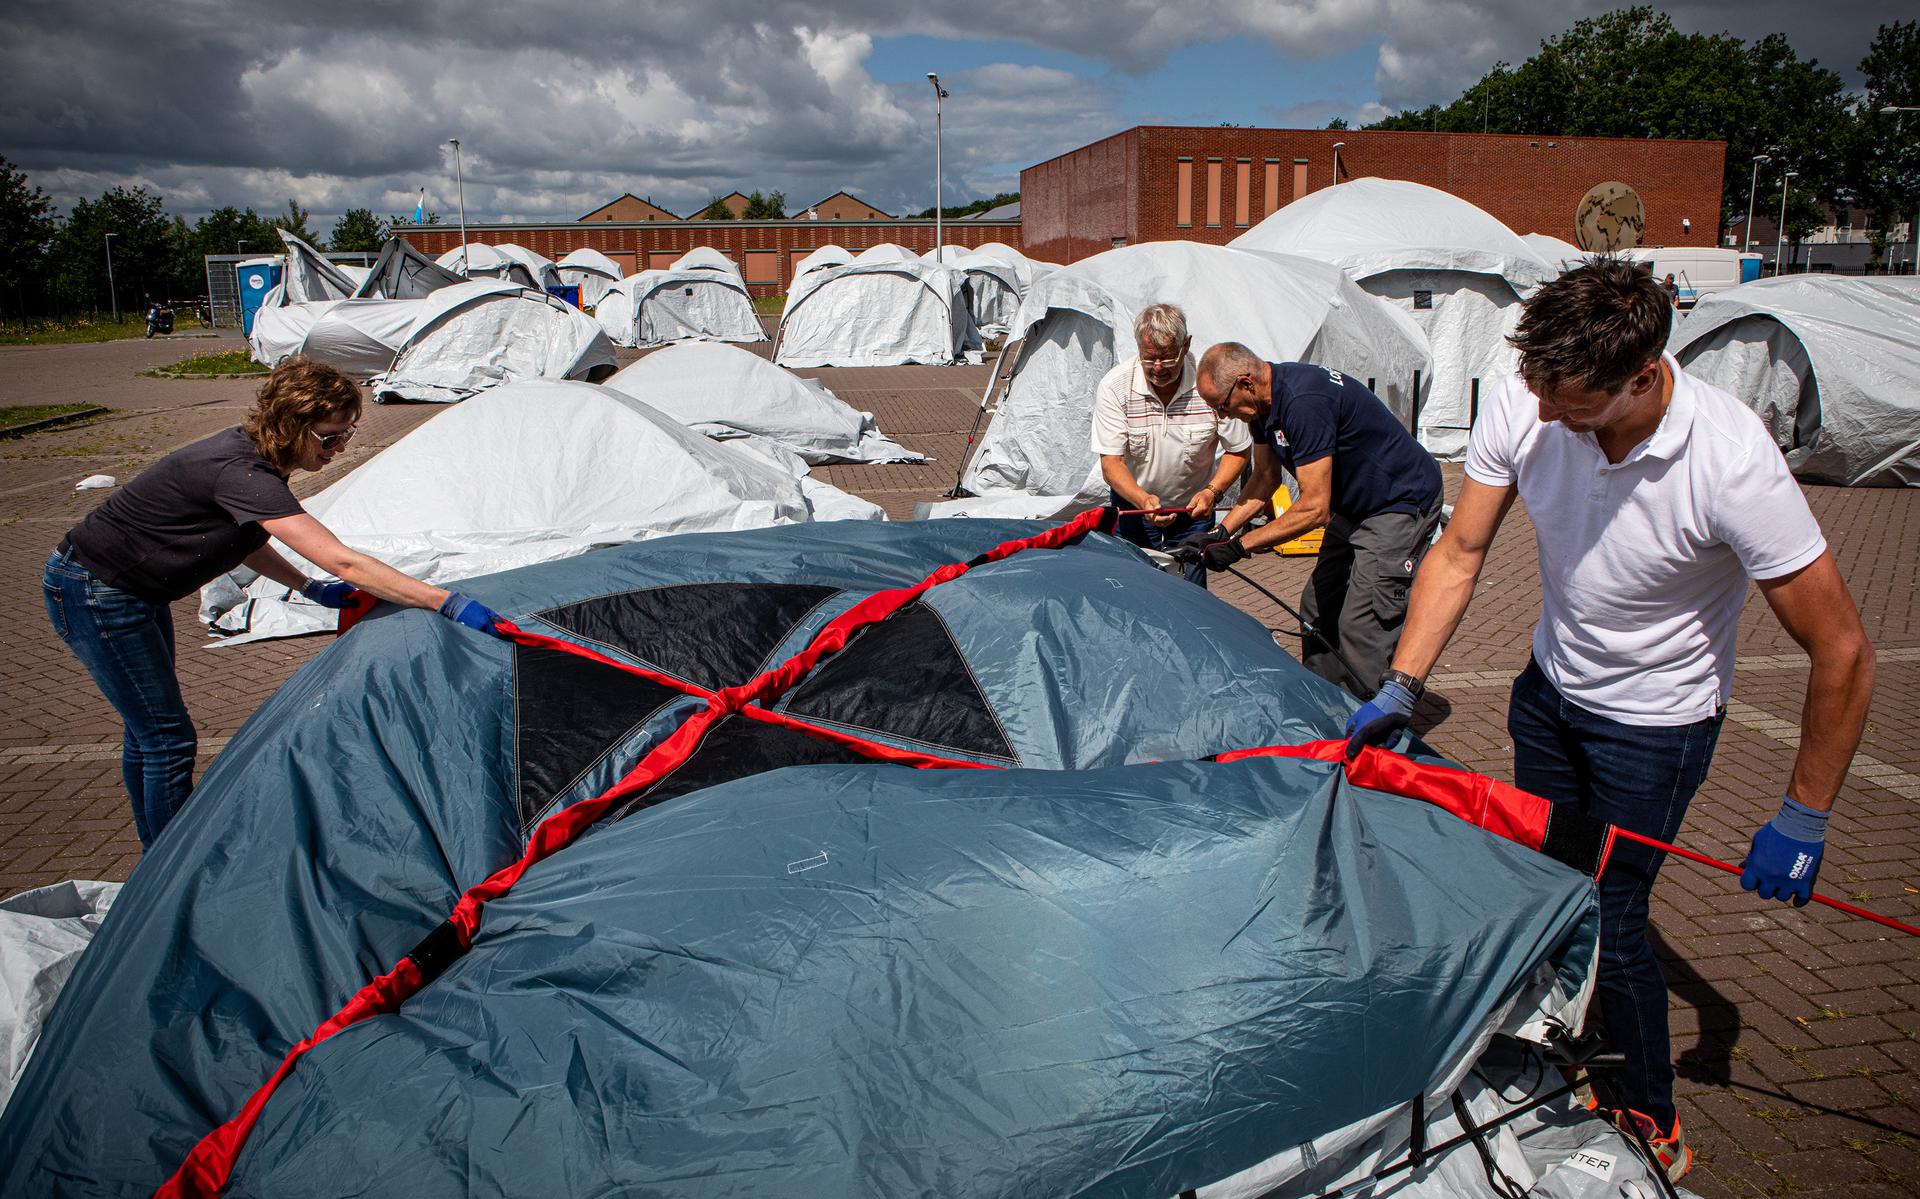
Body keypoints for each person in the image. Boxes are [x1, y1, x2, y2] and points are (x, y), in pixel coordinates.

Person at [1345, 258, 1875, 1180]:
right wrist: (1401, 682)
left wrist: (1805, 812)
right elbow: (1462, 548)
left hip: (1655, 727)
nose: (1545, 418)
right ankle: (1563, 1047)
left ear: (1643, 376)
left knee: (1614, 912)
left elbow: (1843, 650)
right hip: (1551, 695)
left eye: (1572, 403)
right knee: (1548, 882)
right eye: (1539, 393)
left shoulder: (1732, 458)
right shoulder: (1534, 395)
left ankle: (1649, 1116)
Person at [43, 357, 505, 851]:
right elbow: (345, 562)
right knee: (167, 738)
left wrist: (307, 588)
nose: (341, 448)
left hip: (129, 590)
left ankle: (156, 847)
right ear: (292, 425)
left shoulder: (253, 460)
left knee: (148, 731)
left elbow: (244, 538)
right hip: (99, 592)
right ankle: (168, 866)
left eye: (347, 435)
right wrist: (446, 602)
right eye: (330, 437)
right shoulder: (240, 471)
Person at [1189, 345, 1443, 696]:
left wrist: (1239, 547)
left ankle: (1364, 724)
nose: (1224, 415)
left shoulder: (1303, 402)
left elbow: (1314, 508)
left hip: (1398, 502)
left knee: (1363, 620)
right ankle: (1325, 702)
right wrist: (1221, 532)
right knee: (1317, 605)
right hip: (1355, 507)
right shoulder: (1262, 407)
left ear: (1245, 383)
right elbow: (1265, 478)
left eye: (1222, 405)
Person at [1090, 304, 1251, 587]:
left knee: (1190, 591)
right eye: (1149, 358)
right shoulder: (1115, 387)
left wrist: (1213, 492)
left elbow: (1238, 449)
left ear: (1186, 344)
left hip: (1193, 510)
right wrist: (1142, 499)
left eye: (1166, 358)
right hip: (1135, 509)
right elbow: (1111, 463)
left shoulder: (1212, 385)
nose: (1157, 368)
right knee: (1136, 586)